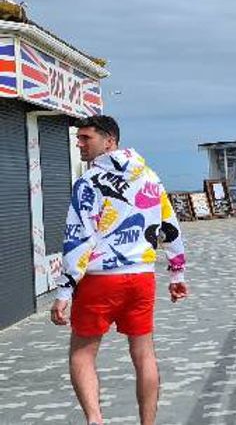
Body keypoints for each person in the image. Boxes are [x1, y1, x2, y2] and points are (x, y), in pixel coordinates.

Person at [49, 115, 188, 425]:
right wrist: (177, 273)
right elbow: (170, 226)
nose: (79, 143)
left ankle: (95, 421)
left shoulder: (88, 182)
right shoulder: (149, 176)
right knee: (144, 354)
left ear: (109, 140)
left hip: (99, 281)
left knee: (82, 354)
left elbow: (79, 237)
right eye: (79, 138)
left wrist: (64, 290)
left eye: (86, 138)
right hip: (141, 278)